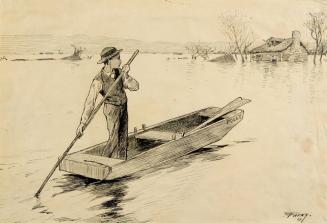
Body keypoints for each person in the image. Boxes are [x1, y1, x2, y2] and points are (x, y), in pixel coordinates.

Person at [76, 47, 139, 159]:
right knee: (113, 138)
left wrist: (126, 75)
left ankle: (121, 161)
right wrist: (83, 123)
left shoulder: (120, 72)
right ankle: (103, 161)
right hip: (111, 109)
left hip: (123, 107)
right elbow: (90, 102)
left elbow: (135, 87)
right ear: (109, 61)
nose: (120, 61)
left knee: (123, 137)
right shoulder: (98, 80)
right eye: (118, 58)